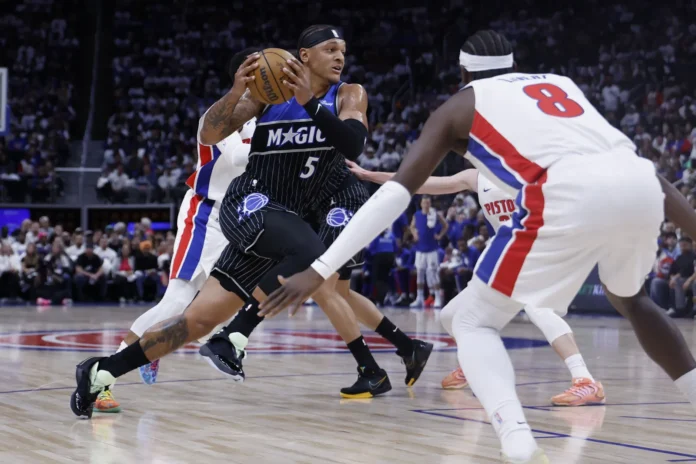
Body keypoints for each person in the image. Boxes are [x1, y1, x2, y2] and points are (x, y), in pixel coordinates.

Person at [260, 30, 696, 464]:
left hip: (562, 196)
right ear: (513, 66)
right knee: (634, 301)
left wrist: (320, 268)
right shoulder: (559, 84)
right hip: (640, 183)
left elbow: (396, 195)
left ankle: (518, 443)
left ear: (464, 74)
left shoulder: (459, 106)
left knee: (470, 320)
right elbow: (641, 170)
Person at [70, 27, 430, 419]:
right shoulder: (267, 94)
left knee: (195, 322)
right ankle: (236, 335)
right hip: (250, 203)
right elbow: (209, 133)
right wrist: (235, 93)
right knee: (313, 252)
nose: (340, 57)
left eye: (342, 50)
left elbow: (353, 143)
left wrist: (309, 103)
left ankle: (101, 371)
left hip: (284, 220)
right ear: (304, 55)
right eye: (330, 49)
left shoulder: (349, 94)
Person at [348, 160, 604, 406]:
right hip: (503, 257)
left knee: (539, 309)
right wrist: (370, 175)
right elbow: (421, 182)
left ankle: (585, 380)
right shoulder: (476, 177)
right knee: (451, 315)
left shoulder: (530, 168)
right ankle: (475, 364)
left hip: (537, 251)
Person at [90, 48, 260, 414]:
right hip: (207, 215)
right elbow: (237, 159)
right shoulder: (222, 113)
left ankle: (162, 343)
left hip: (243, 219)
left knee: (227, 303)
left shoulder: (272, 117)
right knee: (177, 302)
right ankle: (106, 375)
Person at [409, 195, 448, 308]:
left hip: (432, 249)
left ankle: (438, 298)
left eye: (428, 203)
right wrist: (414, 234)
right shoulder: (417, 215)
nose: (426, 205)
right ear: (421, 204)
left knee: (433, 273)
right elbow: (412, 226)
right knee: (420, 273)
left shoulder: (435, 214)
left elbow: (445, 225)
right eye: (424, 203)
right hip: (420, 249)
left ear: (430, 204)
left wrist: (440, 236)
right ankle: (419, 298)